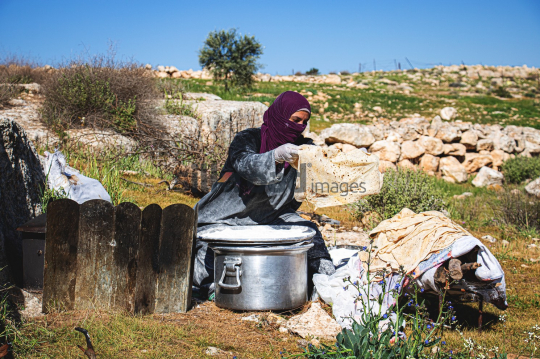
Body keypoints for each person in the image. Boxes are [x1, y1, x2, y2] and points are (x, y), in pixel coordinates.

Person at [193, 91, 335, 298]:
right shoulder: (248, 139)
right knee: (212, 273)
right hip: (223, 221)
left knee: (309, 234)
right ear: (280, 115)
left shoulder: (303, 148)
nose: (300, 127)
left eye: (304, 122)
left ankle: (328, 283)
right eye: (295, 120)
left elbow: (309, 187)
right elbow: (248, 167)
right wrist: (276, 156)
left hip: (270, 216)